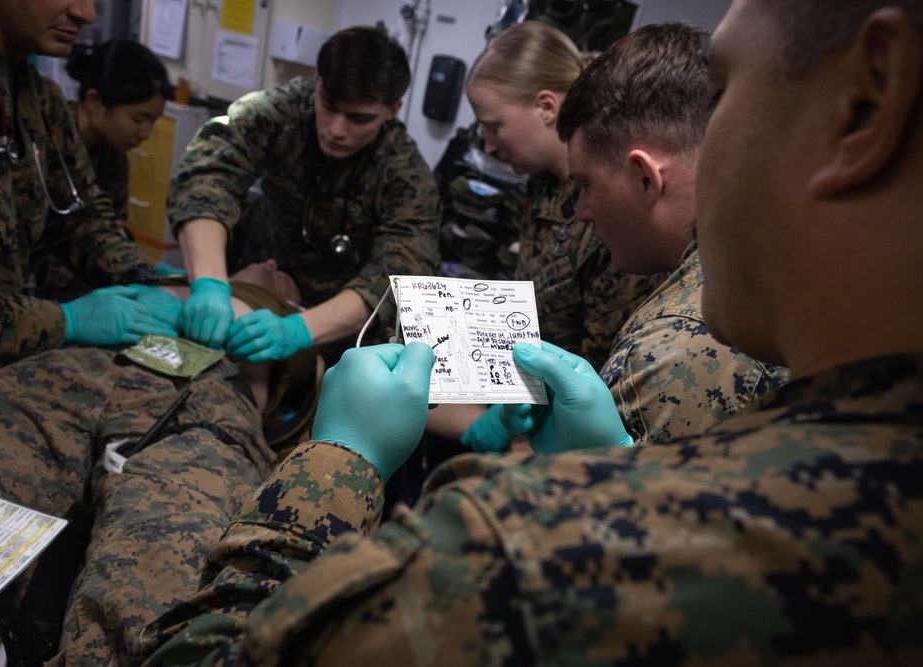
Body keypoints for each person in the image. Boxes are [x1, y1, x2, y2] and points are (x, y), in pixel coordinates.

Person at [130, 4, 923, 663]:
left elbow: (205, 653)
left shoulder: (515, 554)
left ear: (866, 99)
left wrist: (339, 460)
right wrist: (618, 466)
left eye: (724, 86)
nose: (705, 142)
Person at [0, 260, 320, 667]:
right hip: (76, 369)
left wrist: (299, 324)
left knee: (165, 560)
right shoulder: (168, 278)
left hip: (205, 399)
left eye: (283, 270)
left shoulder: (293, 329)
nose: (270, 260)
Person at [449, 21, 786, 452]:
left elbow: (608, 507)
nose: (582, 210)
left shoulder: (674, 346)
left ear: (645, 179)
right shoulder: (738, 255)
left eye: (586, 187)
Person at [0, 0, 175, 408]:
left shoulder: (34, 95)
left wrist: (139, 279)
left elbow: (82, 215)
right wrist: (63, 321)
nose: (87, 14)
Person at [427, 20, 661, 452]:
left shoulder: (609, 209)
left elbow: (604, 370)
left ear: (547, 107)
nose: (489, 145)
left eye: (495, 126)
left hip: (571, 429)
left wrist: (526, 437)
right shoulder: (541, 183)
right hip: (525, 398)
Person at [168, 25, 441, 363]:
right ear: (317, 80)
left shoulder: (404, 173)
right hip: (264, 282)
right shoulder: (275, 114)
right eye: (328, 106)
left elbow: (401, 273)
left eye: (359, 118)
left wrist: (300, 329)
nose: (336, 130)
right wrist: (209, 284)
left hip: (341, 322)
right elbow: (206, 178)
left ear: (393, 108)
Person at [66, 38, 171, 222]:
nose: (145, 134)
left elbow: (111, 227)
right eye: (138, 119)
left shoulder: (113, 159)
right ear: (95, 102)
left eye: (153, 122)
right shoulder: (46, 141)